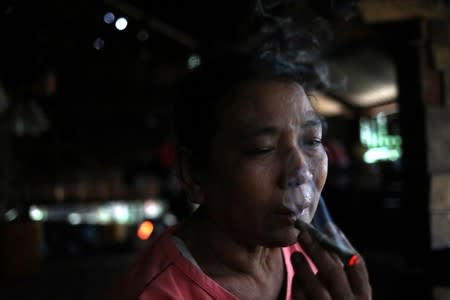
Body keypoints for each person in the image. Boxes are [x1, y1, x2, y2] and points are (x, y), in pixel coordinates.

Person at [106, 16, 371, 300]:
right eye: (263, 148)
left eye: (312, 141)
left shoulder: (319, 259)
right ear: (194, 173)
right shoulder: (158, 293)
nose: (301, 172)